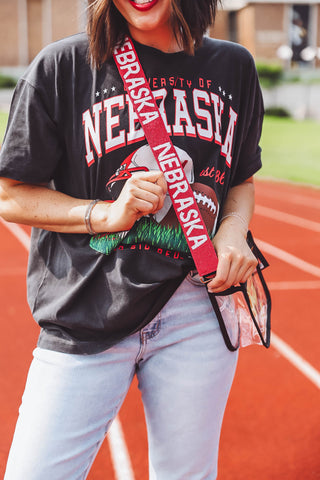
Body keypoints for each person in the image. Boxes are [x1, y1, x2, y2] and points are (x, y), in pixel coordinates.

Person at [0, 0, 264, 478]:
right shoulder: (64, 66)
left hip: (195, 312)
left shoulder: (234, 66)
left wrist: (231, 232)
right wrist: (105, 213)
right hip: (86, 308)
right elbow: (9, 195)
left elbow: (241, 178)